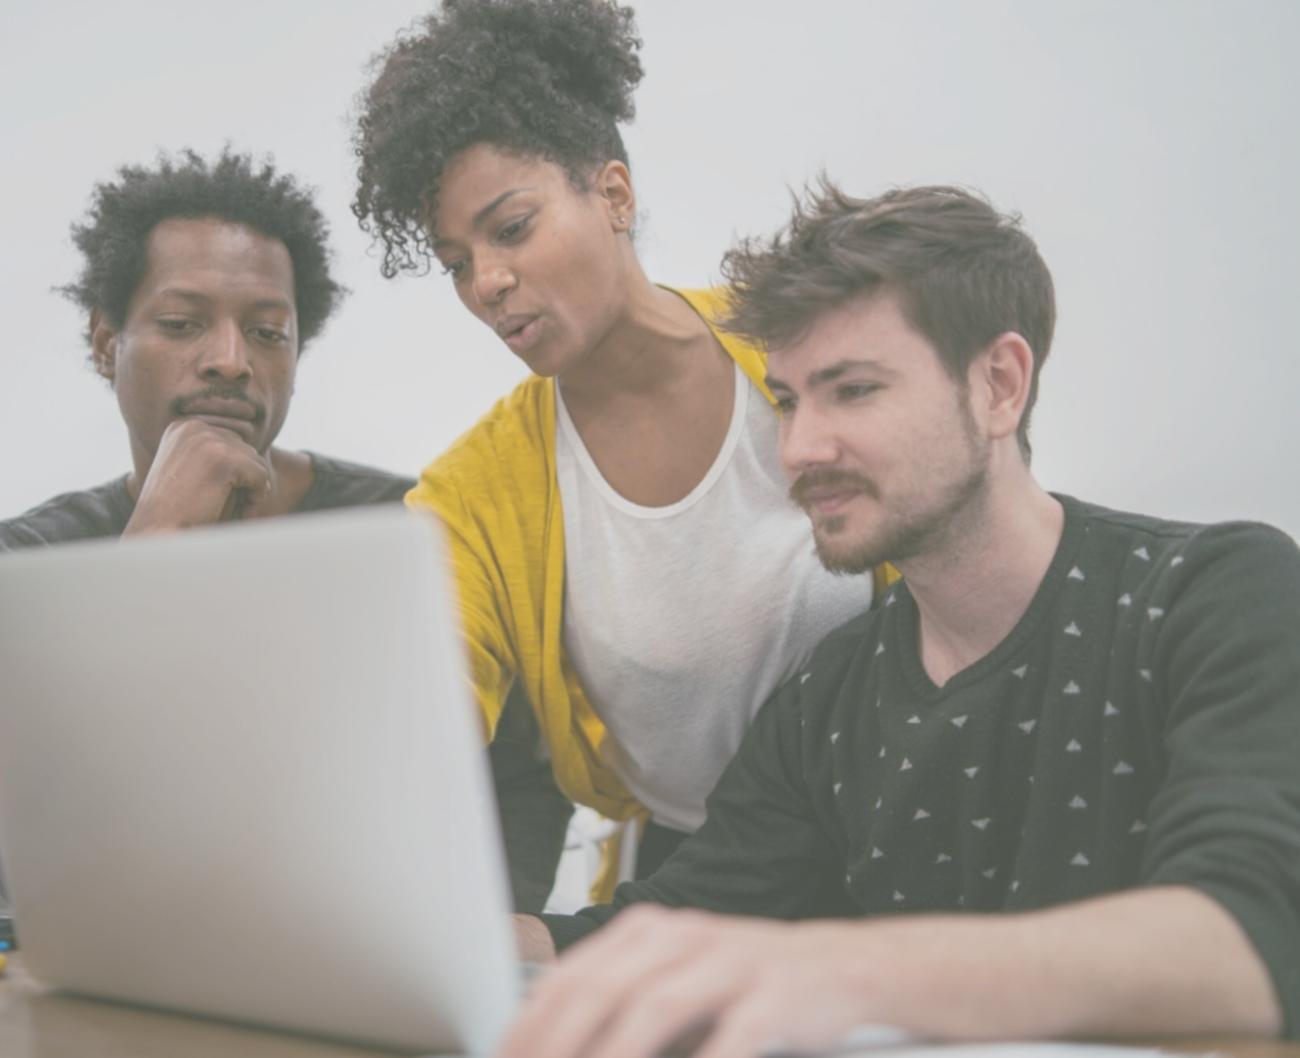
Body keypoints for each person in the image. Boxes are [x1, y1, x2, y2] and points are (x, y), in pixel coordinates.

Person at [500, 181, 1300, 1057]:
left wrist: (841, 971)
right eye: (789, 400)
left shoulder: (1215, 592)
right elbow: (682, 919)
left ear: (999, 385)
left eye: (853, 391)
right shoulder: (826, 695)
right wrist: (497, 947)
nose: (800, 448)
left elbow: (1249, 938)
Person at [351, 0, 880, 889]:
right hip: (703, 886)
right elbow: (418, 708)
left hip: (919, 830)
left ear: (613, 195)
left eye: (511, 228)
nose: (487, 283)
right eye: (455, 262)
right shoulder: (475, 497)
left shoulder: (803, 345)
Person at [0, 149, 571, 910]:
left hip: (373, 970)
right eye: (183, 324)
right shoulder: (34, 560)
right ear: (104, 342)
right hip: (131, 968)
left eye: (268, 334)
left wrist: (481, 941)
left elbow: (518, 781)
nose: (229, 361)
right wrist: (154, 540)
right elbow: (19, 847)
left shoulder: (405, 529)